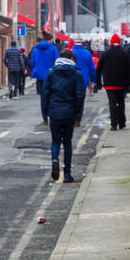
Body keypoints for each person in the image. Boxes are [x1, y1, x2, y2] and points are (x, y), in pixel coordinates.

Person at [42, 47, 86, 183]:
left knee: (55, 141)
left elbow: (45, 94)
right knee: (67, 143)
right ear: (72, 59)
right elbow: (80, 95)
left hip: (54, 111)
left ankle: (55, 159)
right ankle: (67, 173)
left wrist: (45, 113)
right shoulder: (77, 74)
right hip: (70, 112)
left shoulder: (51, 73)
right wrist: (78, 114)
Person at [96, 33, 130, 130]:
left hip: (109, 84)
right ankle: (122, 122)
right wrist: (129, 84)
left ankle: (114, 124)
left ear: (111, 42)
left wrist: (98, 83)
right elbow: (129, 70)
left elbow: (98, 69)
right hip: (121, 84)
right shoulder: (124, 54)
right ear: (119, 42)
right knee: (121, 103)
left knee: (112, 104)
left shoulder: (105, 53)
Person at [29, 34, 59, 122]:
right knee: (52, 96)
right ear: (49, 40)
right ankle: (52, 115)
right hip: (51, 76)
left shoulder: (35, 48)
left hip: (40, 77)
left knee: (43, 98)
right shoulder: (53, 48)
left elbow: (32, 62)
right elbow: (57, 61)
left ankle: (45, 118)